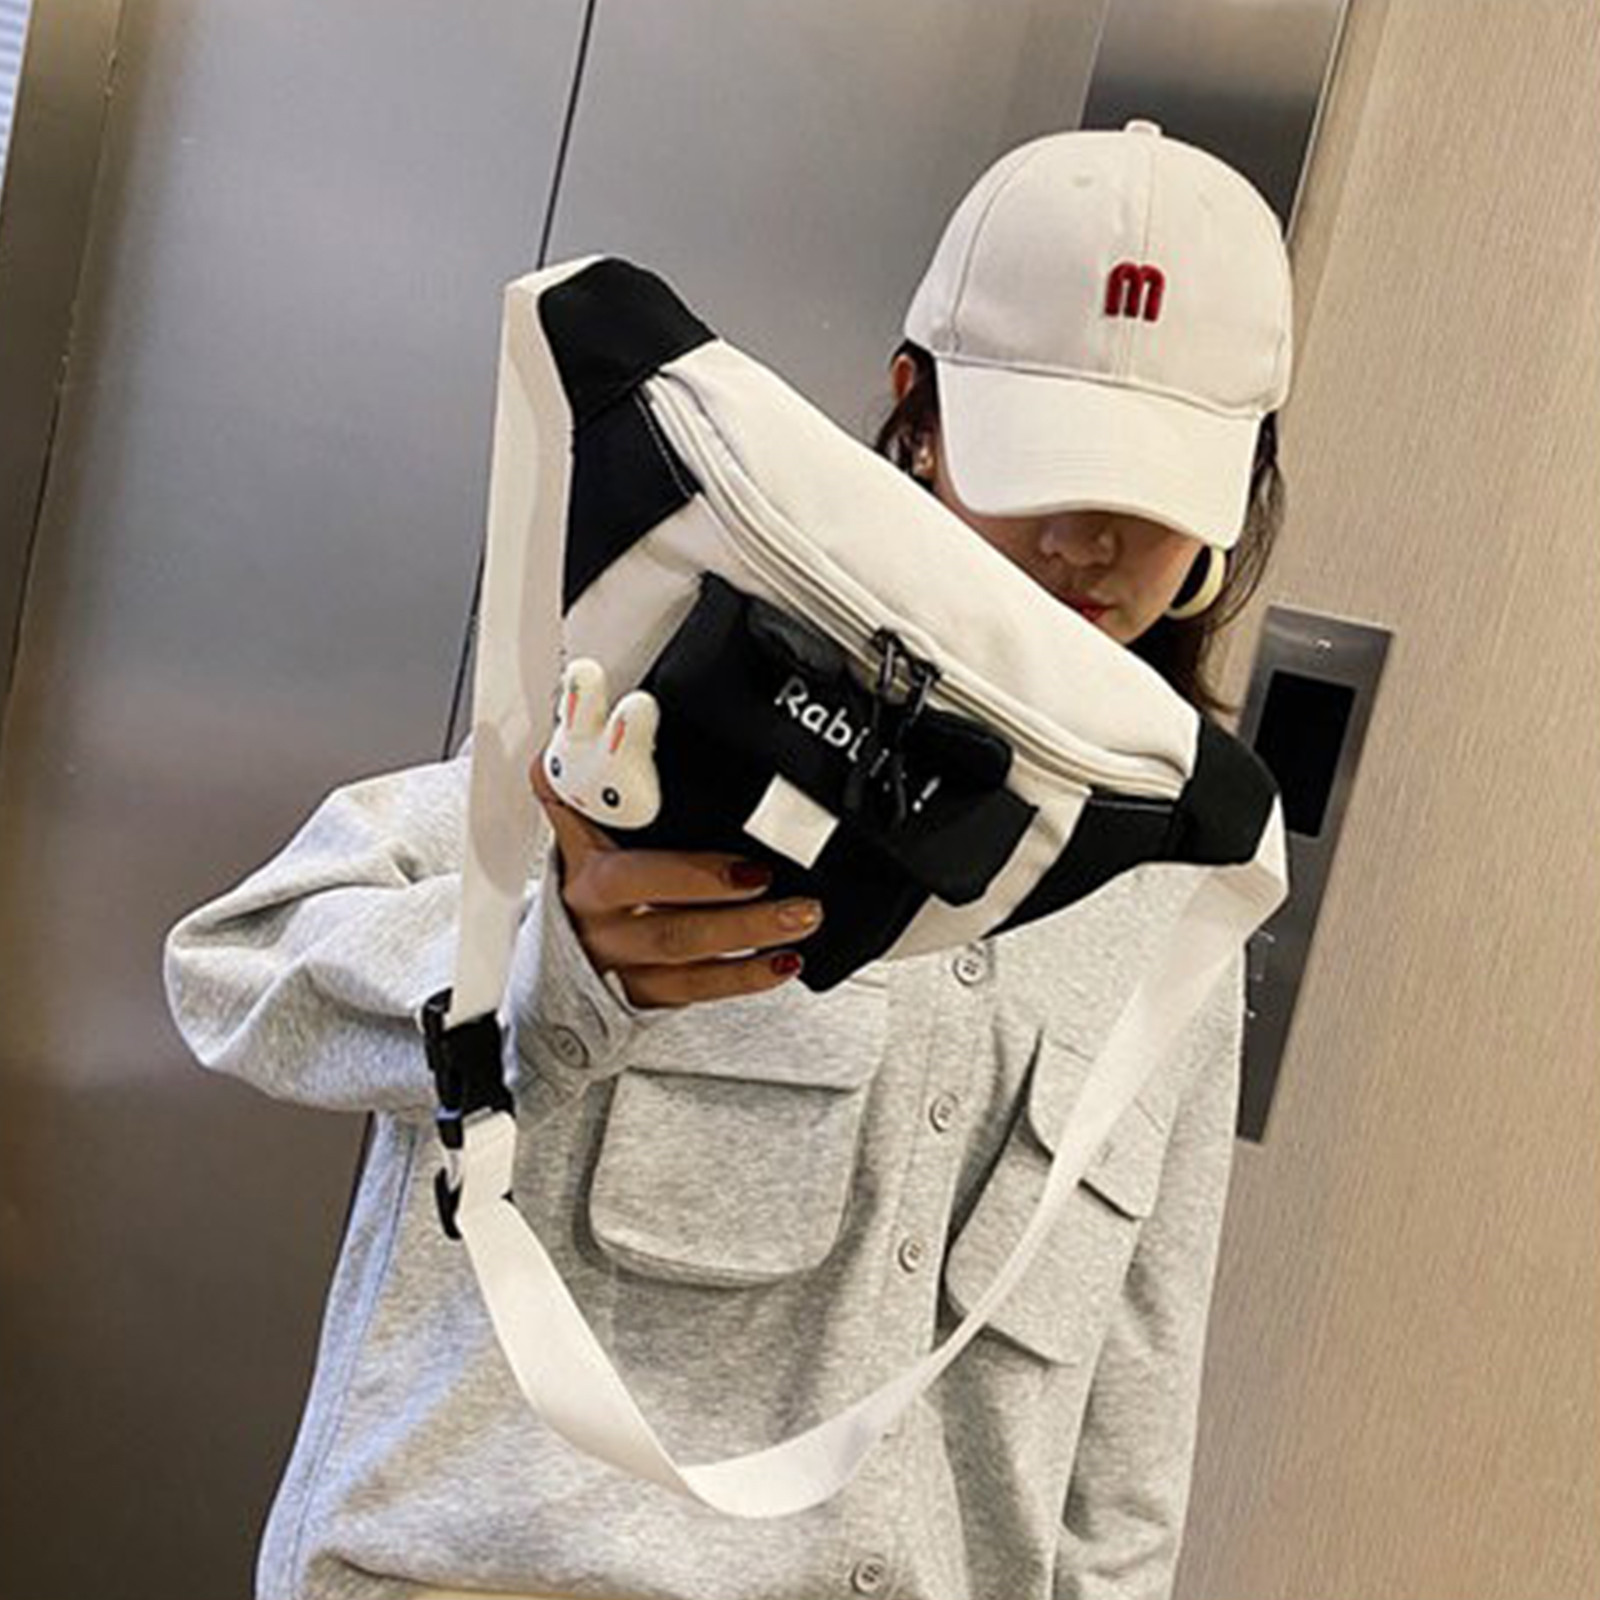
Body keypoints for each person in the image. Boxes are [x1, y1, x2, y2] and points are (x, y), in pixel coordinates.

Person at [163, 119, 1291, 1600]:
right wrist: (541, 964)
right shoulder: (677, 690)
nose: (1090, 539)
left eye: (1154, 500)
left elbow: (1123, 1461)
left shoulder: (1181, 904)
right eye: (1048, 465)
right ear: (919, 412)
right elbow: (236, 965)